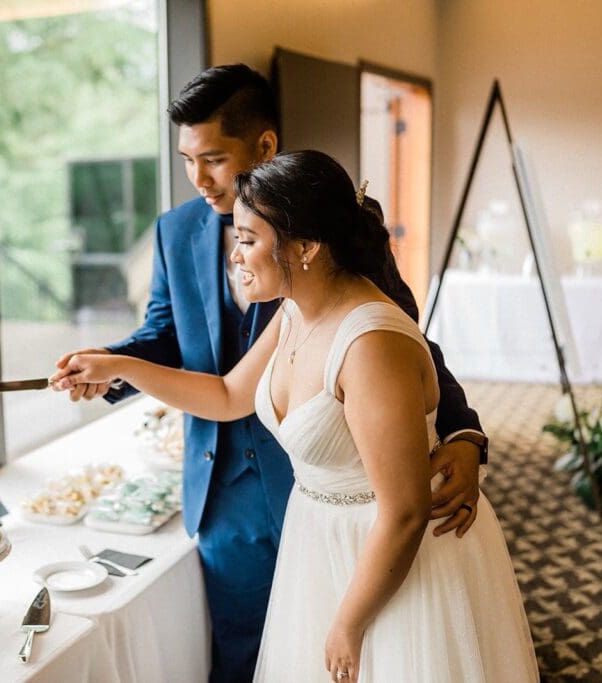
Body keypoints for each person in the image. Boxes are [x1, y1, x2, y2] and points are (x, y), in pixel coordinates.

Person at [56, 65, 488, 682]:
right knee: (253, 655)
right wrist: (112, 367)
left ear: (263, 146)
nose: (199, 179)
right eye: (185, 160)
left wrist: (466, 436)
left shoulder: (334, 226)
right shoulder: (177, 234)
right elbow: (184, 354)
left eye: (212, 158)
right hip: (230, 498)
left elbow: (409, 345)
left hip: (352, 490)